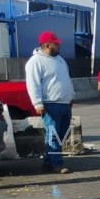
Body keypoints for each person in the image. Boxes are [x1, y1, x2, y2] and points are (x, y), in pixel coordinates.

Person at [25, 31, 75, 174]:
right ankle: (57, 164)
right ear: (47, 45)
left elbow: (66, 79)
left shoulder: (60, 60)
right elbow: (33, 84)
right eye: (56, 44)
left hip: (64, 103)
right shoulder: (35, 62)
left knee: (62, 134)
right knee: (53, 135)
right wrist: (37, 103)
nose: (59, 46)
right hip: (50, 104)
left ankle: (48, 162)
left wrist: (71, 96)